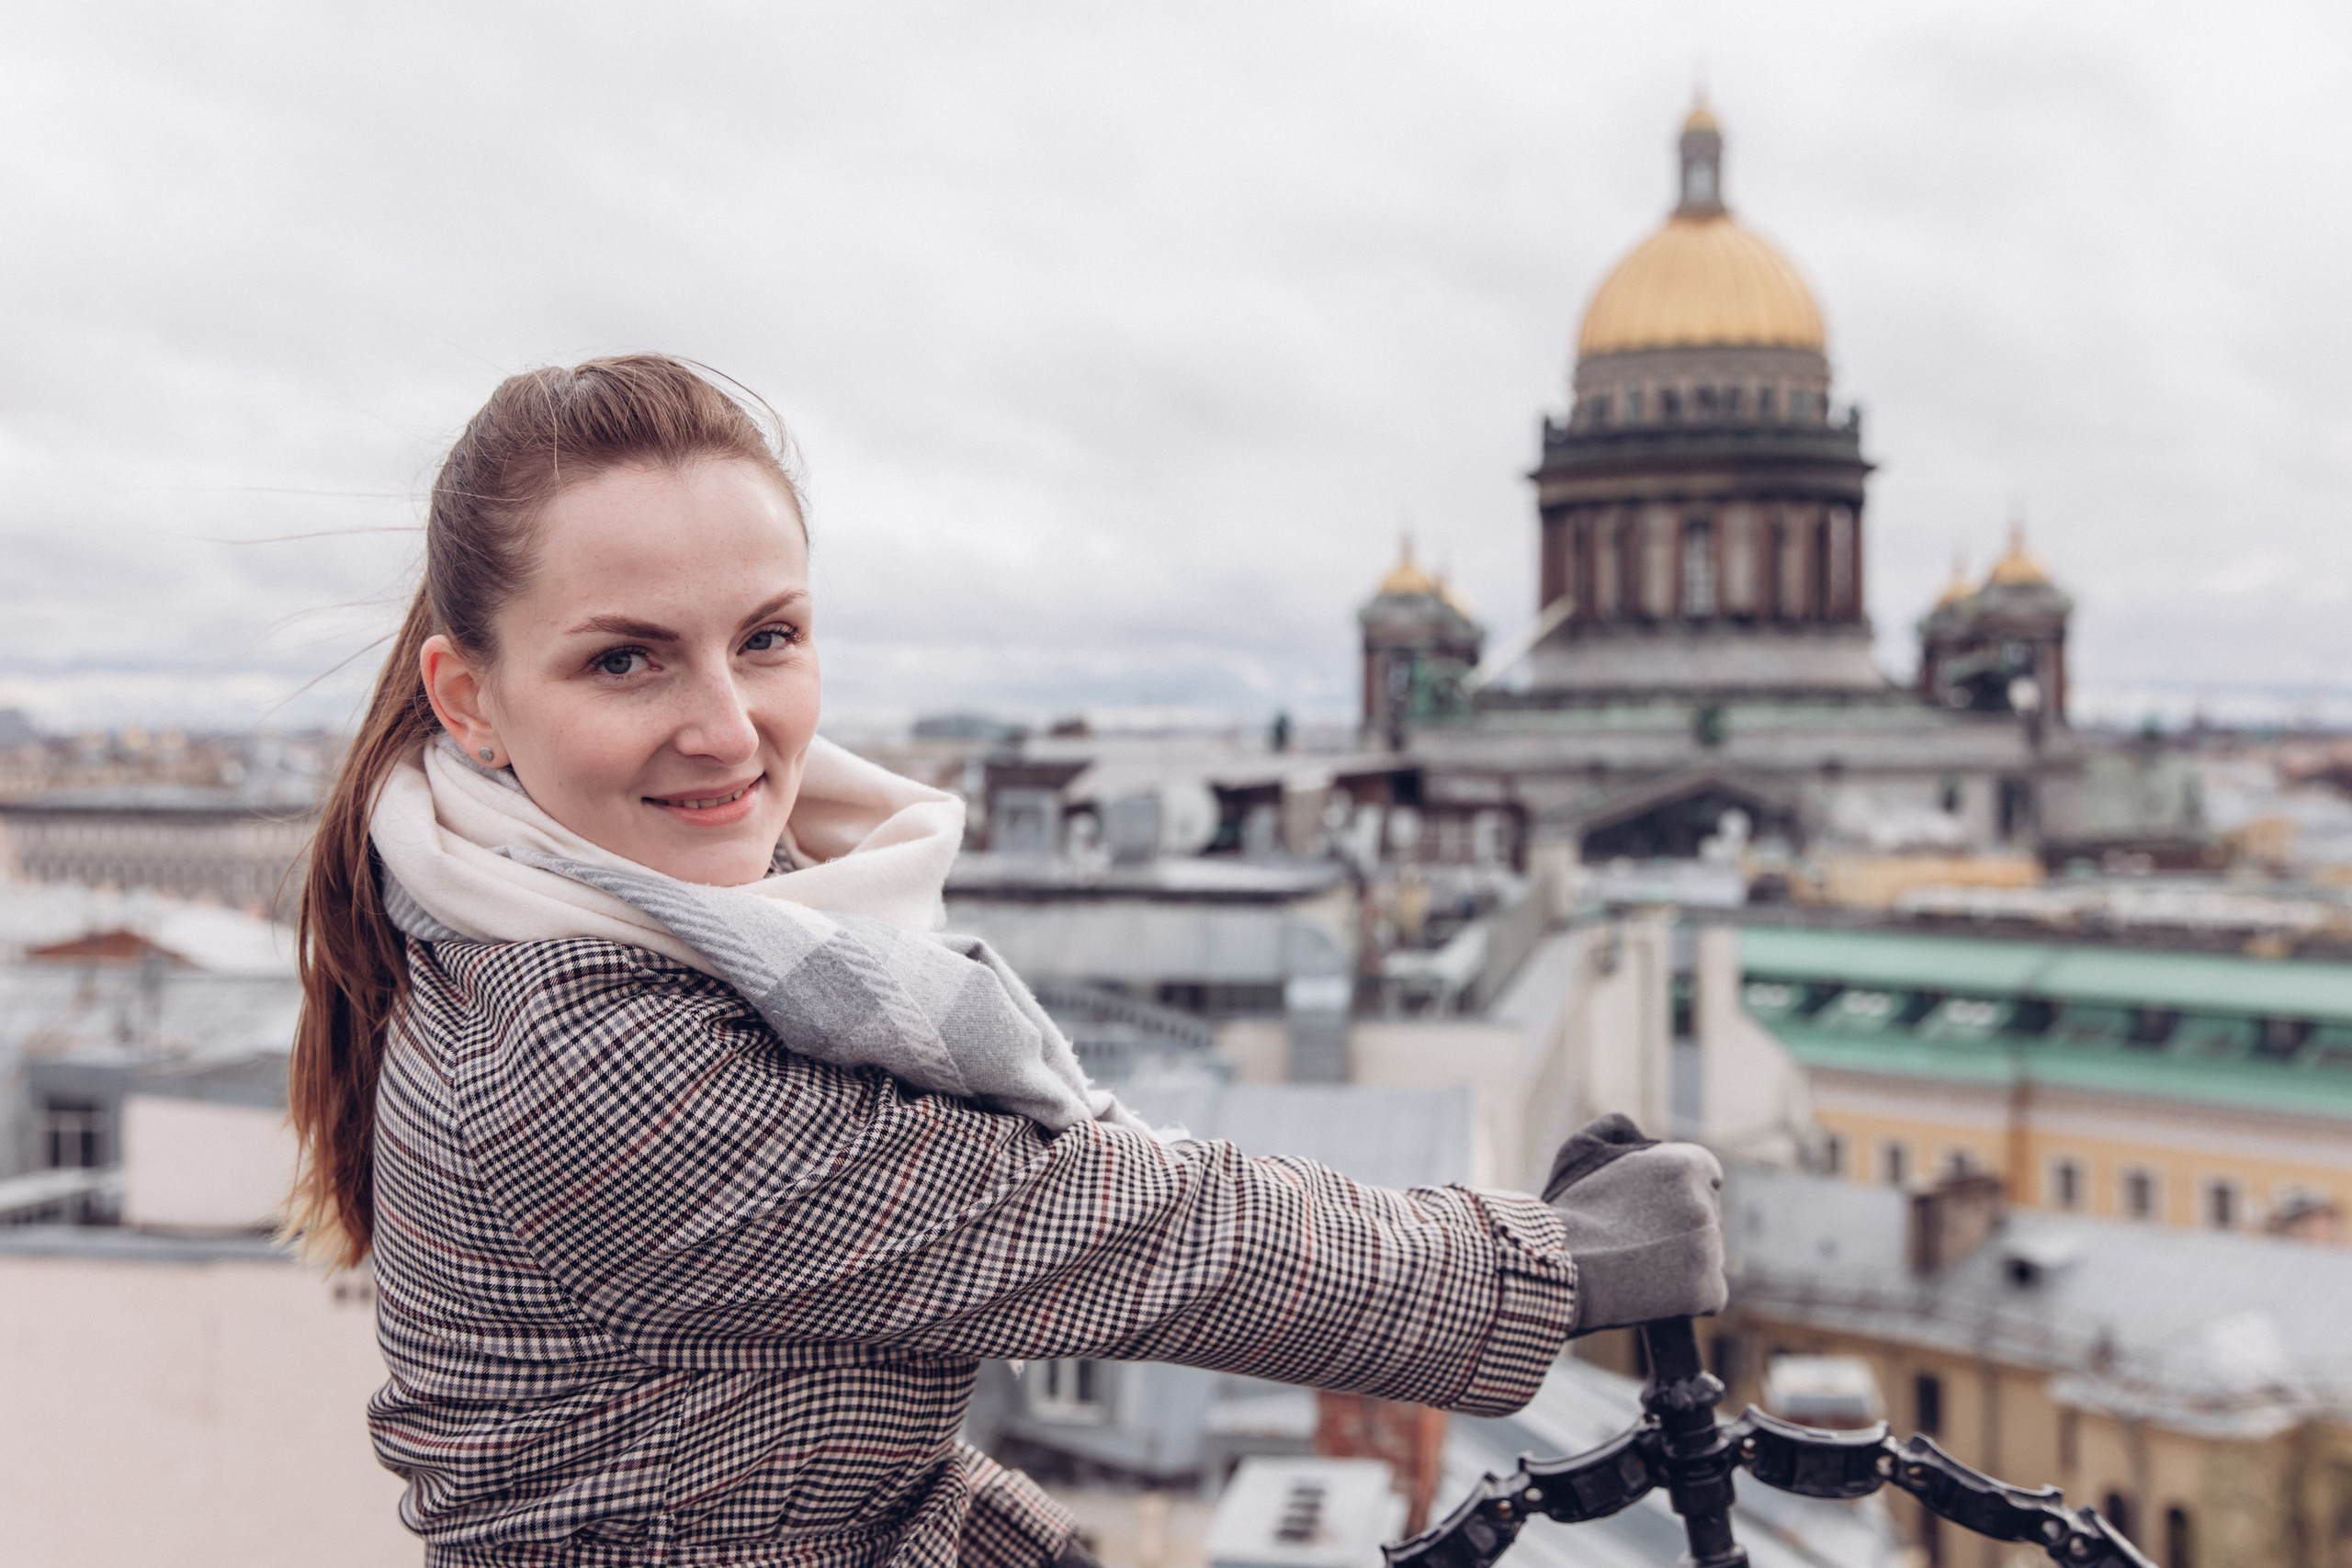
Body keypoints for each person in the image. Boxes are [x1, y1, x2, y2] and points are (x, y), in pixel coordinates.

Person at [287, 354, 1726, 1568]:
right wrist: (1546, 1267)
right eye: (627, 659)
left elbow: (849, 1483)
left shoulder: (648, 907)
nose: (727, 729)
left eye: (768, 637)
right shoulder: (585, 1046)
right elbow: (1111, 1231)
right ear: (469, 702)